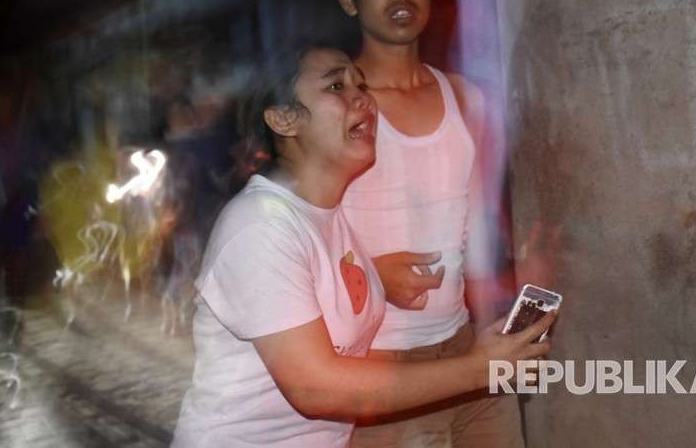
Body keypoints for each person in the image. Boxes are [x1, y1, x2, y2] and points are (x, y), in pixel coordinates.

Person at [171, 45, 555, 447]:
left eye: (361, 84)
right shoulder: (259, 226)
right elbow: (315, 387)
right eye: (336, 85)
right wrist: (480, 367)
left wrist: (377, 279)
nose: (362, 98)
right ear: (283, 118)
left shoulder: (328, 218)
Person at [336, 0, 531, 447]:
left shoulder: (467, 99)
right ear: (349, 0)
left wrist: (503, 307)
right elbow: (295, 240)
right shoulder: (338, 110)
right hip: (379, 366)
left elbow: (476, 233)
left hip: (466, 348)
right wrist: (372, 278)